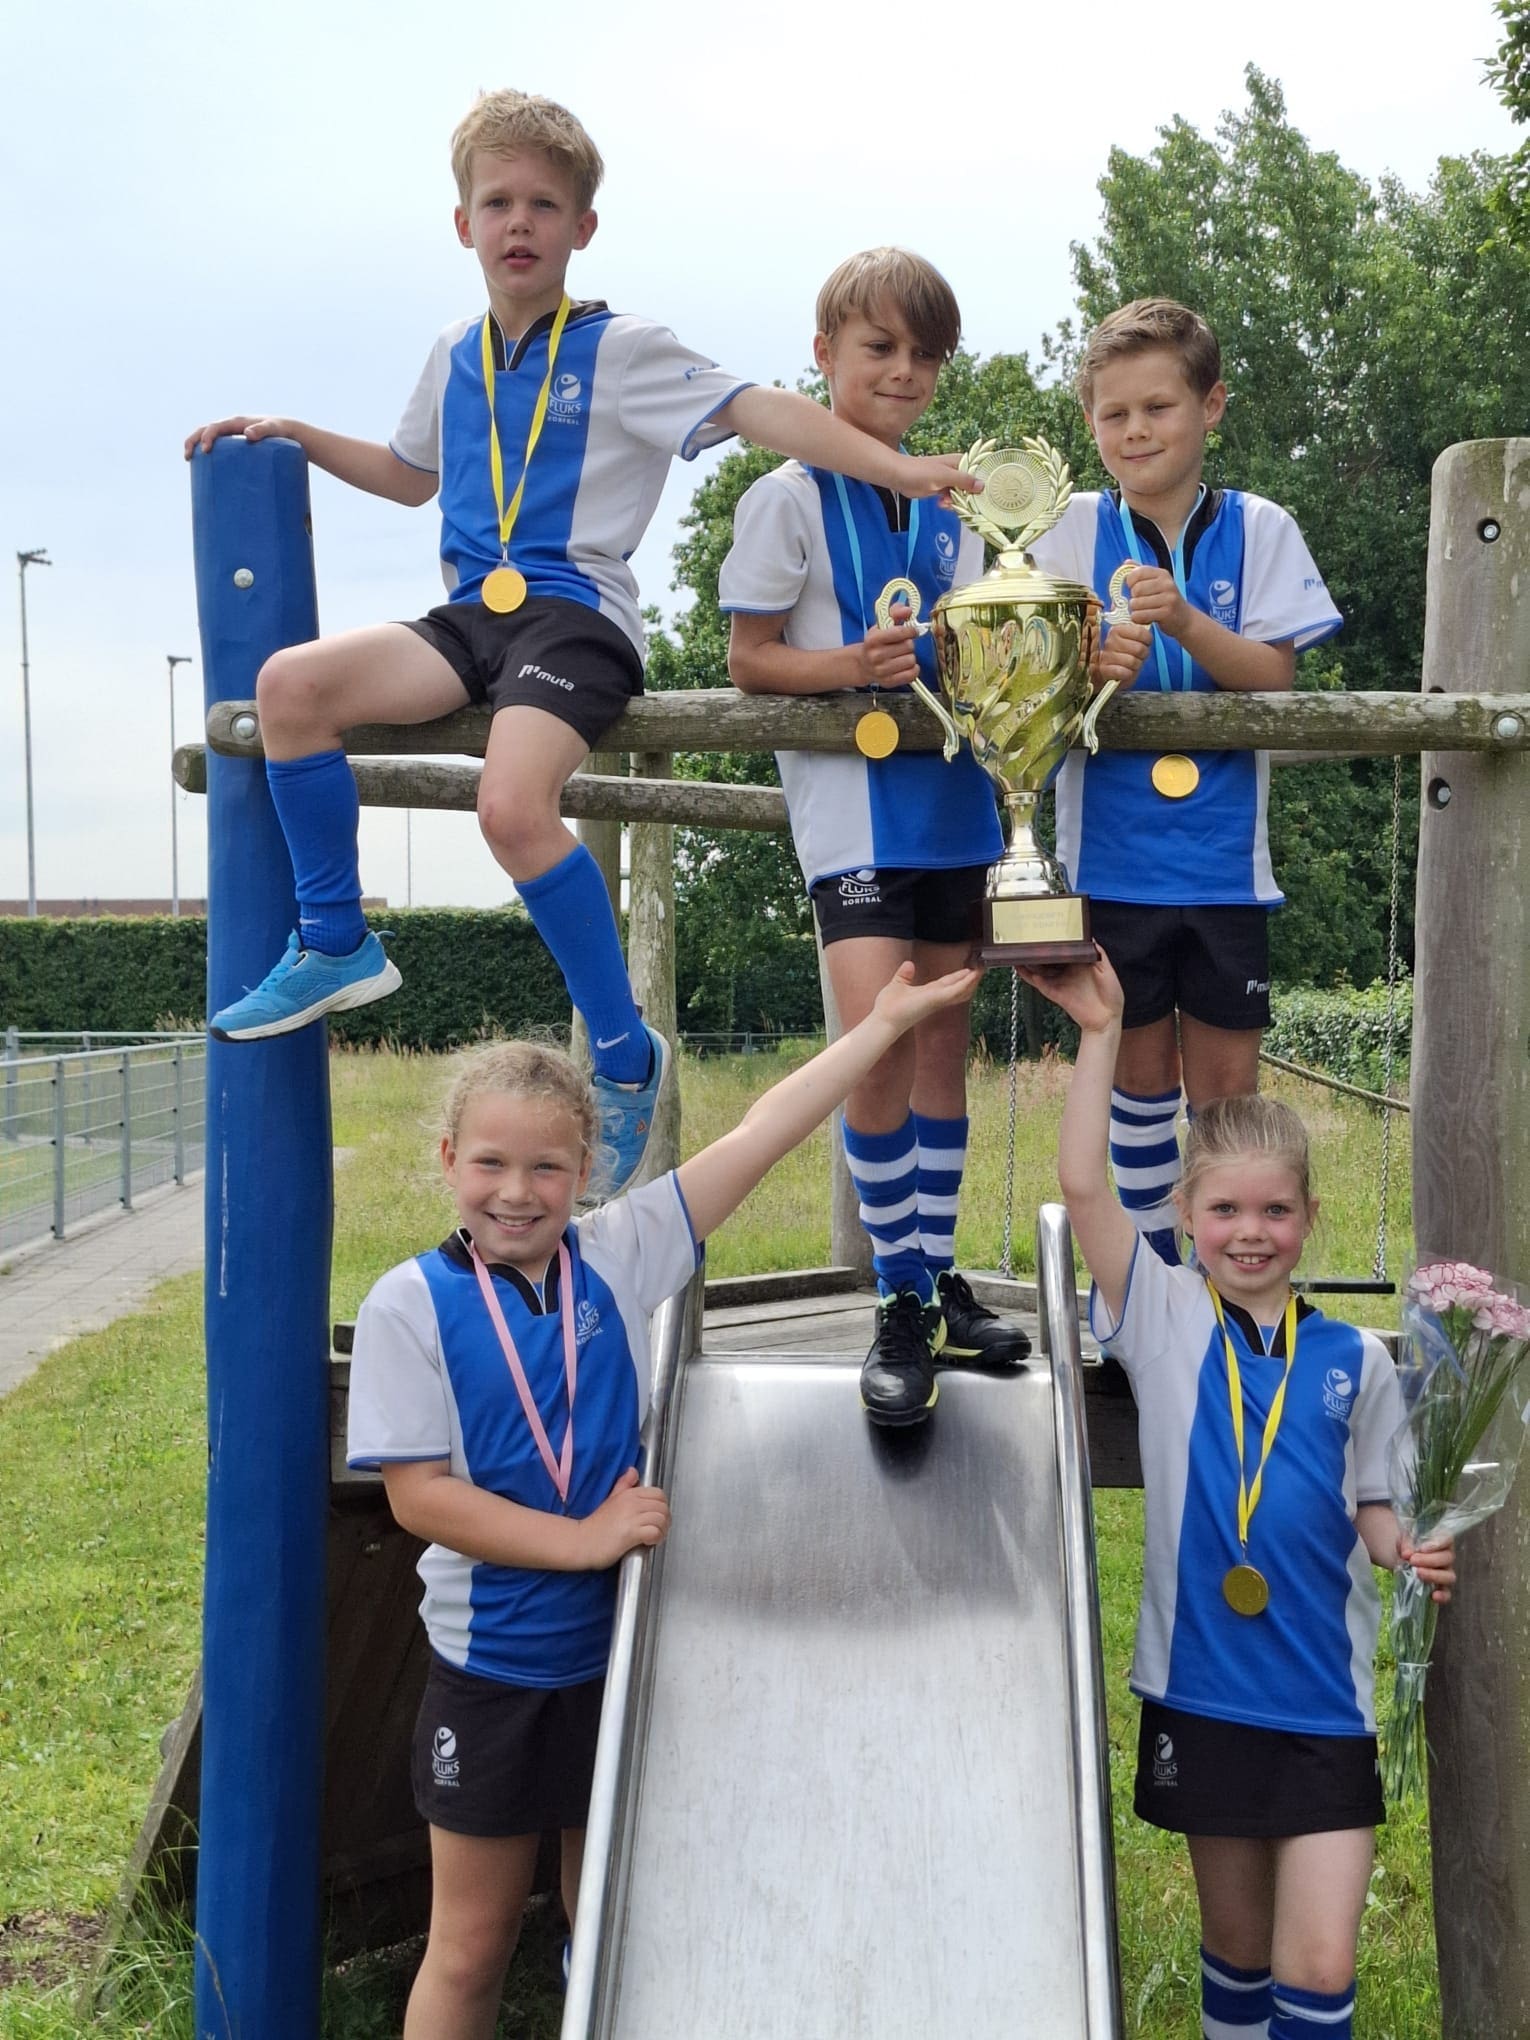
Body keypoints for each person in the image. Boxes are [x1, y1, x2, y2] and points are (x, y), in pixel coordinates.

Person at [184, 94, 977, 1198]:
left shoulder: (622, 348)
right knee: (288, 688)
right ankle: (333, 938)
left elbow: (761, 411)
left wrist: (899, 469)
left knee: (512, 808)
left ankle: (621, 1045)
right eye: (497, 202)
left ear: (582, 227)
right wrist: (297, 434)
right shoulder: (453, 354)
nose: (519, 223)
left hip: (576, 618)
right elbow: (411, 477)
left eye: (544, 205)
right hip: (472, 618)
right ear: (463, 223)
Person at [346, 958, 979, 2038]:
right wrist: (585, 1539)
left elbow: (763, 1133)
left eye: (547, 1167)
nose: (516, 1191)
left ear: (586, 1169)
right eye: (491, 1162)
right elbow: (421, 1501)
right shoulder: (405, 1306)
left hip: (621, 1663)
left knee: (608, 1930)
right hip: (491, 1676)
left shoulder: (621, 1251)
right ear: (449, 1160)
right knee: (471, 1946)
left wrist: (880, 1027)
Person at [719, 248, 1148, 1425]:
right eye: (879, 348)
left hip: (962, 809)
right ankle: (897, 1296)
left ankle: (939, 1275)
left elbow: (1004, 649)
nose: (903, 371)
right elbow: (749, 661)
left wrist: (1094, 649)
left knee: (944, 1052)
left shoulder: (964, 506)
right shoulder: (785, 496)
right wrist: (844, 667)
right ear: (825, 355)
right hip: (853, 818)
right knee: (876, 1048)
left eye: (924, 354)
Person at [1024, 946, 1455, 2040]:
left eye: (1274, 1209)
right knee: (1238, 1953)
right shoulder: (1162, 1316)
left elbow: (1373, 1503)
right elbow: (1082, 1187)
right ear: (1186, 1214)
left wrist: (1404, 1544)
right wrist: (1102, 1033)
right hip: (1205, 1693)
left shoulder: (1356, 1359)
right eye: (1224, 1210)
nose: (1250, 1232)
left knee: (1320, 1962)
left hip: (1324, 1701)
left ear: (1308, 1216)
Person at [1028, 297, 1343, 1268]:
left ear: (1211, 406)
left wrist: (1185, 623)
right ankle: (1147, 1289)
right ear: (1090, 423)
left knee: (1227, 1102)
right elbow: (1030, 686)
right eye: (1113, 413)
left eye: (1158, 407)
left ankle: (1220, 1292)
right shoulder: (1068, 529)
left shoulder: (1261, 527)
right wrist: (1092, 668)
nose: (1135, 430)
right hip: (1109, 864)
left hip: (1222, 868)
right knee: (1135, 1085)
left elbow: (1274, 677)